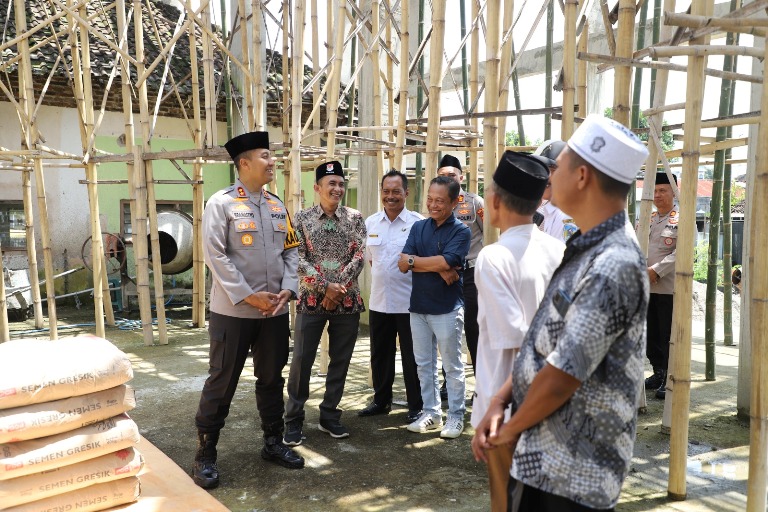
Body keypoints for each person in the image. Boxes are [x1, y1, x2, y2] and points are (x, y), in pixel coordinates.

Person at [474, 115, 650, 511]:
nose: (551, 175)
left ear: (583, 176)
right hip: (544, 459)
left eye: (560, 165)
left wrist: (508, 431)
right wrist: (502, 399)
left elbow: (563, 374)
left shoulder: (614, 263)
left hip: (575, 472)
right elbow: (544, 339)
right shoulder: (584, 247)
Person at [193, 131, 304, 490]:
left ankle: (273, 443)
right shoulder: (221, 204)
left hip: (272, 313)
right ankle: (205, 455)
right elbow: (216, 256)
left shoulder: (276, 205)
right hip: (234, 313)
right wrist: (247, 295)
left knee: (271, 379)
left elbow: (291, 251)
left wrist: (288, 289)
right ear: (243, 163)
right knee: (222, 381)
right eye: (265, 156)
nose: (273, 162)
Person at [470, 151, 565, 512]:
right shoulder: (559, 249)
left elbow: (517, 339)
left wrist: (497, 405)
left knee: (506, 501)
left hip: (509, 404)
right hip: (553, 398)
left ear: (494, 201)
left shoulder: (493, 257)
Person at [283, 161, 366, 445]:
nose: (337, 188)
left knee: (340, 361)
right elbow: (296, 258)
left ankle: (330, 415)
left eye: (341, 184)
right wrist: (325, 287)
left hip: (347, 301)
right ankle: (293, 420)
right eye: (331, 183)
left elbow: (359, 256)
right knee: (302, 361)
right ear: (317, 188)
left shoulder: (355, 218)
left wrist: (337, 290)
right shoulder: (300, 219)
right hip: (310, 300)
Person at [397, 176, 471, 439]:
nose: (433, 205)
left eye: (440, 201)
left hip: (447, 309)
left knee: (452, 366)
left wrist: (429, 262)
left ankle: (456, 416)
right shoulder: (418, 227)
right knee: (424, 364)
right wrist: (439, 266)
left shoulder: (461, 231)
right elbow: (403, 263)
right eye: (430, 198)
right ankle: (431, 412)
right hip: (419, 307)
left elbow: (447, 260)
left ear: (453, 202)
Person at [359, 169, 424, 423]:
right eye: (386, 191)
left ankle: (416, 405)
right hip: (379, 301)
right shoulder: (370, 223)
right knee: (380, 354)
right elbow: (372, 261)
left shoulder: (418, 223)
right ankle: (381, 400)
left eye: (396, 191)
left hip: (410, 303)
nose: (390, 196)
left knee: (412, 356)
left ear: (406, 193)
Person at [437, 154, 483, 375]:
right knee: (448, 331)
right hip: (445, 276)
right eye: (442, 175)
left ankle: (481, 382)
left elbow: (490, 235)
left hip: (472, 275)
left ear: (461, 176)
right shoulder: (436, 204)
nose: (448, 179)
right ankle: (449, 381)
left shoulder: (475, 203)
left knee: (474, 329)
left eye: (451, 175)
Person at [644, 172, 678, 399]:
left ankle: (670, 378)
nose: (658, 195)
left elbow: (682, 252)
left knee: (667, 335)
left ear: (674, 192)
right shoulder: (648, 218)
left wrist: (656, 270)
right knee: (650, 334)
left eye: (663, 190)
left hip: (668, 288)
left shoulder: (681, 219)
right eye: (655, 191)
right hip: (646, 286)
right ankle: (658, 372)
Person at [532, 140, 579, 242]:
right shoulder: (543, 207)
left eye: (552, 170)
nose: (545, 175)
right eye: (541, 168)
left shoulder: (568, 216)